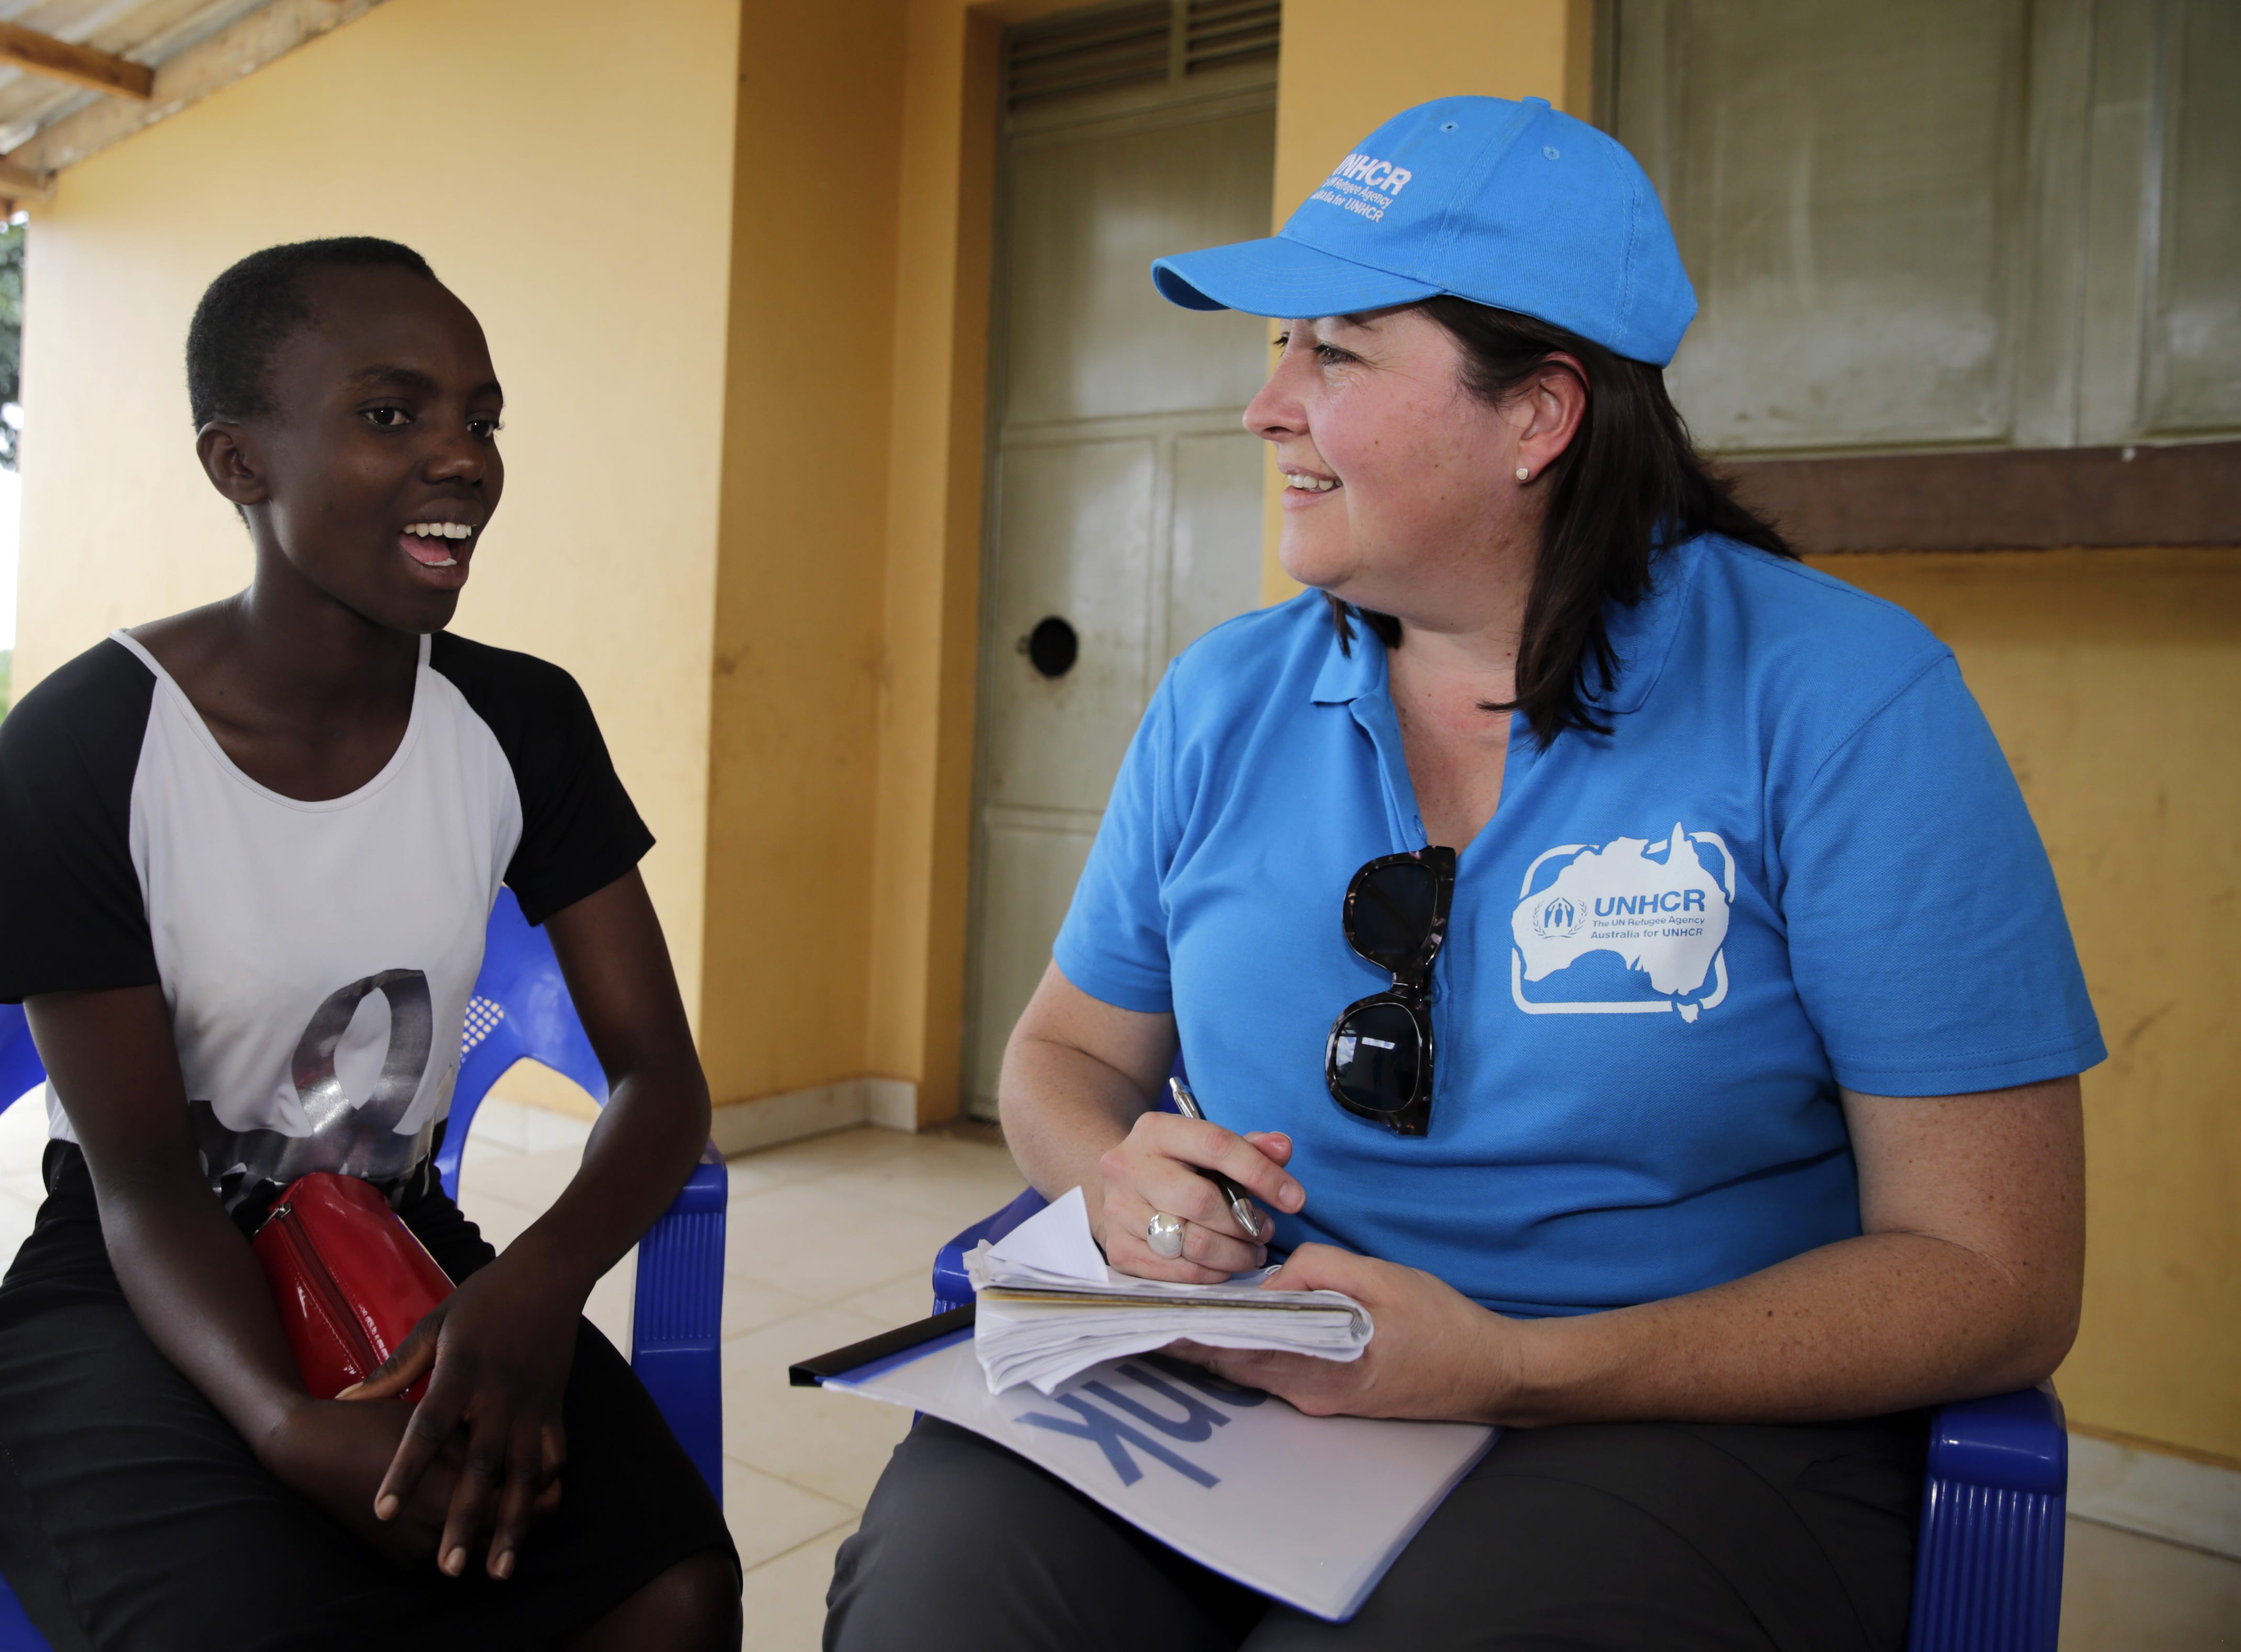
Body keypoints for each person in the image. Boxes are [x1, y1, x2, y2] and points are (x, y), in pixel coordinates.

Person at [826, 95, 2098, 1650]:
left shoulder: (1841, 703)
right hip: (1258, 1373)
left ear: (1539, 416)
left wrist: (1516, 1367)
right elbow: (1065, 1054)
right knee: (945, 1584)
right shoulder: (1224, 702)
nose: (1265, 407)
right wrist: (1113, 1170)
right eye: (1277, 349)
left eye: (1335, 354)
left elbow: (1995, 1274)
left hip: (1672, 1423)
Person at [0, 238, 740, 1651]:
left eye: (480, 417)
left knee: (672, 1596)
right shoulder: (85, 751)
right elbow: (142, 1188)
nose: (464, 459)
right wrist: (280, 1424)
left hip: (401, 1248)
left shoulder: (522, 723)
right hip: (139, 1289)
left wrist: (529, 1291)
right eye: (394, 415)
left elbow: (660, 1081)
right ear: (238, 463)